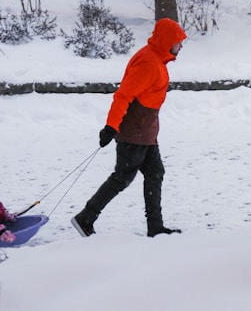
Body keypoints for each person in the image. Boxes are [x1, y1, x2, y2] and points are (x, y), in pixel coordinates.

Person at [71, 18, 187, 238]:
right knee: (122, 177)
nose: (181, 46)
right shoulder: (148, 62)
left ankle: (155, 226)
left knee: (155, 173)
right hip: (135, 132)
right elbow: (123, 95)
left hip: (146, 131)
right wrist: (110, 126)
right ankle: (85, 217)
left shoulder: (157, 59)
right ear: (167, 41)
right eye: (178, 41)